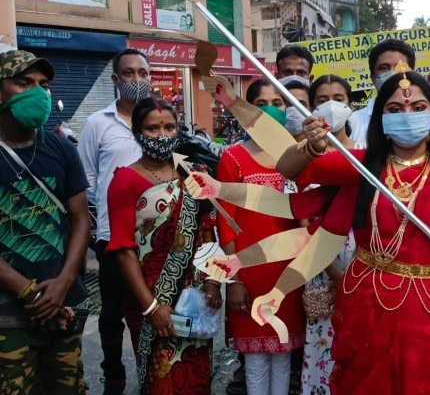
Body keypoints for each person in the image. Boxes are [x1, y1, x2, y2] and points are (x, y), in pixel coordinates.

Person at [276, 70, 430, 394]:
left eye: (418, 108)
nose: (407, 115)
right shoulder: (364, 165)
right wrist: (310, 147)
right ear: (381, 118)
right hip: (368, 304)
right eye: (395, 110)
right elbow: (288, 169)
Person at [106, 97, 222, 394]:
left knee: (196, 376)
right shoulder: (124, 180)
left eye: (170, 127)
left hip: (193, 300)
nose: (162, 135)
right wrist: (151, 307)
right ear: (137, 132)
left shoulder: (194, 172)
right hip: (150, 299)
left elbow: (207, 231)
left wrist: (213, 282)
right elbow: (123, 249)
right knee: (161, 379)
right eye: (153, 128)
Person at [0, 50, 91, 394]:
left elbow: (81, 218)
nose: (37, 93)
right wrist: (30, 292)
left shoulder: (61, 148)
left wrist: (63, 283)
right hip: (9, 313)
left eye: (43, 85)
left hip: (63, 303)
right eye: (23, 83)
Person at [218, 79, 305, 395]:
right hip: (250, 272)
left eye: (278, 103)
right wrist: (235, 280)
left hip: (288, 273)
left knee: (283, 356)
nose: (272, 109)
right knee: (255, 360)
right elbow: (226, 221)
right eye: (262, 102)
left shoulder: (298, 156)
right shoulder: (233, 158)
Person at [77, 48, 151, 394]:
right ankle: (114, 373)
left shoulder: (160, 120)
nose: (137, 80)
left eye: (143, 73)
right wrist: (106, 214)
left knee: (154, 306)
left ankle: (155, 369)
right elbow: (87, 177)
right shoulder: (97, 123)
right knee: (111, 313)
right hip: (112, 235)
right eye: (130, 73)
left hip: (155, 237)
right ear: (115, 80)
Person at [301, 74, 357, 395]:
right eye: (322, 99)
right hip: (322, 272)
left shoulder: (369, 158)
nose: (331, 105)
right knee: (324, 347)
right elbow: (301, 222)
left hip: (366, 271)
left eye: (339, 97)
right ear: (311, 107)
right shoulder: (303, 161)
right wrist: (334, 271)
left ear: (350, 105)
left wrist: (355, 272)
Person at [348, 39, 416, 148]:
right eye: (384, 68)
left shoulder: (424, 118)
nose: (393, 74)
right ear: (372, 77)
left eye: (400, 68)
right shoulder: (353, 122)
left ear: (412, 75)